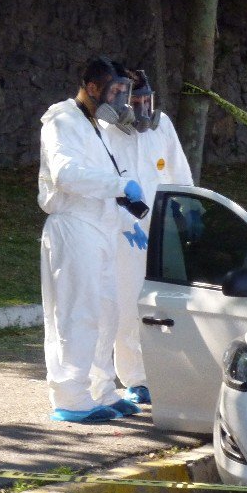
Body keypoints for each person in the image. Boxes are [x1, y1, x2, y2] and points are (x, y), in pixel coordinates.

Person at [38, 56, 146, 423]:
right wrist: (118, 186)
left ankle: (100, 390)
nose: (121, 99)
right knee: (77, 313)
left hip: (99, 228)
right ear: (93, 87)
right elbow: (67, 175)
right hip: (73, 227)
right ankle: (71, 397)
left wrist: (124, 218)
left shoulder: (95, 126)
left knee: (106, 311)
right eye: (115, 90)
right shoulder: (62, 119)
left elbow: (100, 182)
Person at [102, 69, 194, 405]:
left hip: (164, 227)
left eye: (146, 101)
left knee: (169, 303)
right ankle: (136, 377)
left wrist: (191, 210)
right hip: (126, 231)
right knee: (128, 302)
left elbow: (178, 171)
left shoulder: (163, 125)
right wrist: (125, 223)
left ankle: (172, 369)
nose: (142, 108)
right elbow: (105, 183)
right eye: (135, 101)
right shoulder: (106, 131)